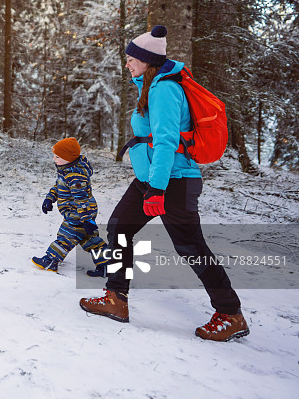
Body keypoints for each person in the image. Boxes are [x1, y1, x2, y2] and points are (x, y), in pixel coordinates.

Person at [78, 25, 249, 342]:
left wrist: (157, 188)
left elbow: (167, 142)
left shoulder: (164, 89)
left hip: (173, 182)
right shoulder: (150, 85)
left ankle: (230, 313)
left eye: (131, 59)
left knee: (190, 247)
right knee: (119, 228)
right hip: (150, 180)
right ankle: (116, 299)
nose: (127, 64)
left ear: (146, 60)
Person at [32, 137, 110, 277]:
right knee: (90, 240)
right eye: (54, 156)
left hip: (79, 213)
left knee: (66, 236)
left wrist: (86, 220)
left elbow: (82, 199)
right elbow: (59, 186)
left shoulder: (75, 176)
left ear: (68, 158)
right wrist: (50, 198)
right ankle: (107, 265)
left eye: (57, 156)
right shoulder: (66, 170)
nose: (54, 159)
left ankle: (51, 260)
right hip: (81, 212)